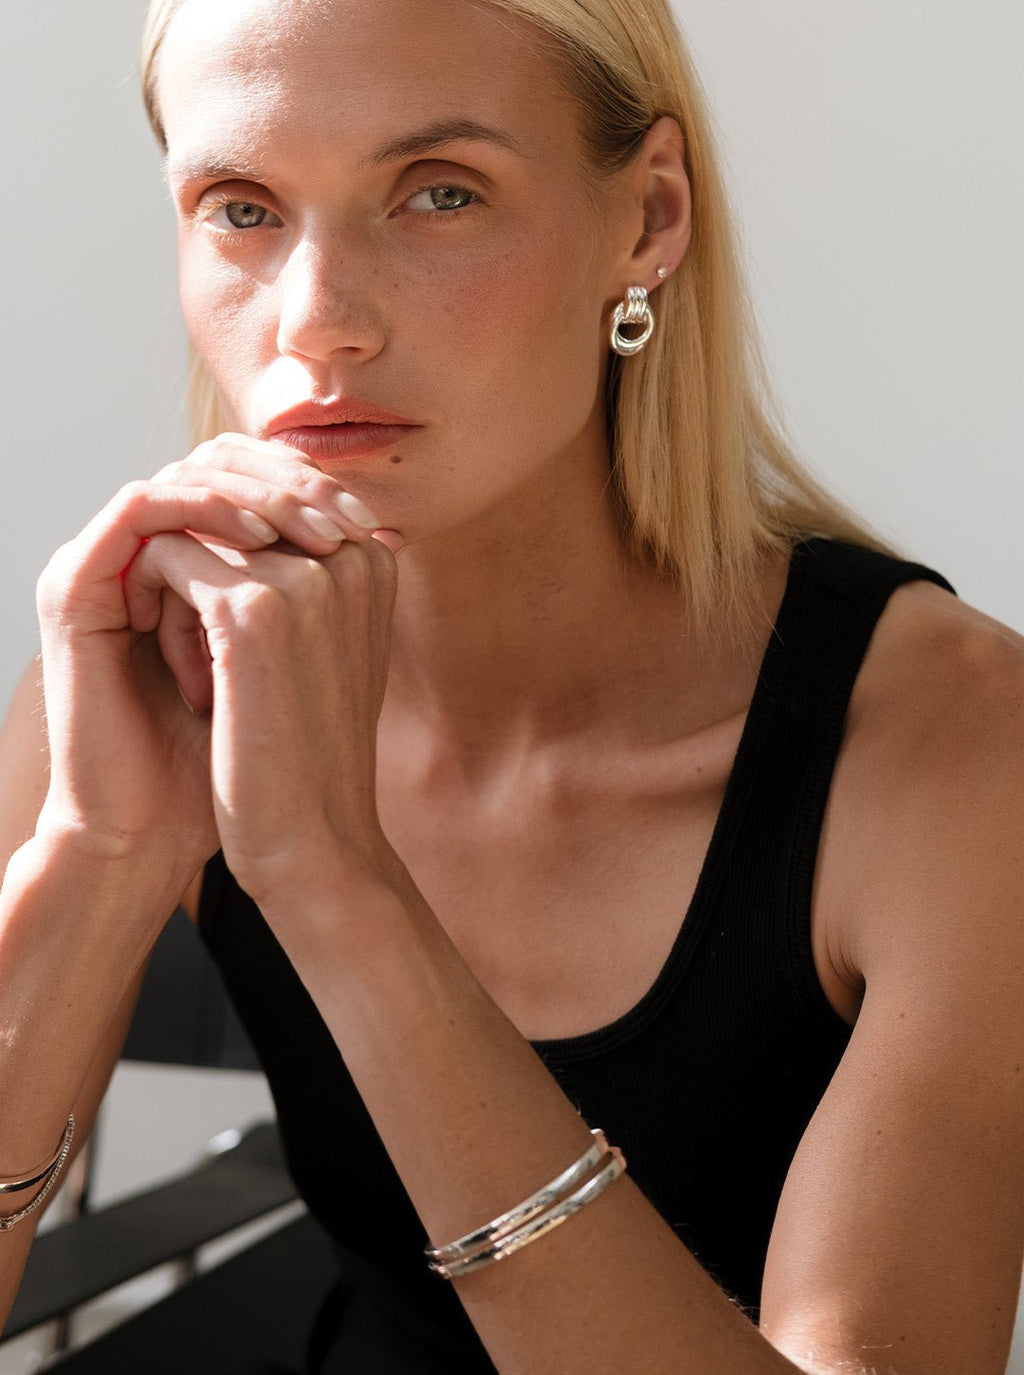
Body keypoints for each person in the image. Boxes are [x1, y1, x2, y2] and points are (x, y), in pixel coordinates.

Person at [1, 0, 1021, 1370]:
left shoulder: (955, 740)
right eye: (241, 208)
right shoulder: (157, 671)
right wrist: (97, 855)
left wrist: (335, 886)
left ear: (648, 219)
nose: (318, 324)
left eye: (438, 193)